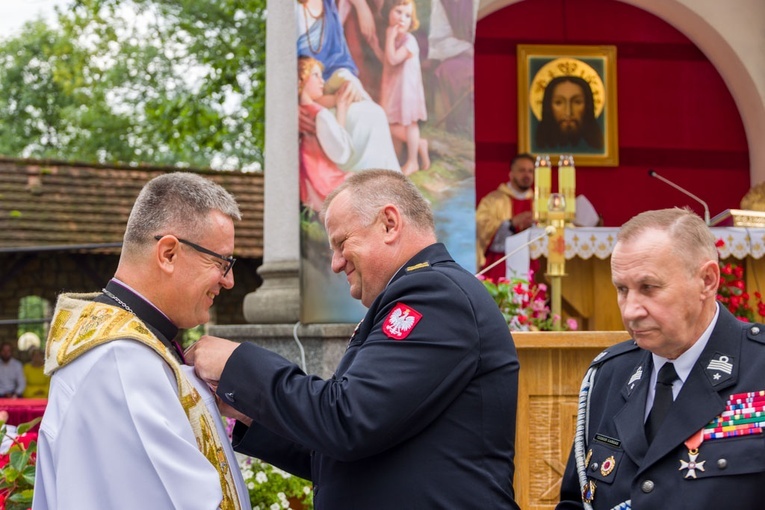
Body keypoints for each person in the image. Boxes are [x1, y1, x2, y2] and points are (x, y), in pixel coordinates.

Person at [187, 169, 522, 509]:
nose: (335, 263)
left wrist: (237, 364)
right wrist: (250, 413)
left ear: (389, 224)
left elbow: (349, 420)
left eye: (341, 242)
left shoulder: (435, 294)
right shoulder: (420, 293)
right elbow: (338, 452)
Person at [33, 172, 251, 510]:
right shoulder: (121, 362)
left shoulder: (132, 347)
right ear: (168, 254)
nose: (229, 281)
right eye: (222, 262)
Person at [557, 208, 765, 509]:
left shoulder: (758, 367)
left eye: (649, 288)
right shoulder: (610, 373)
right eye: (622, 289)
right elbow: (577, 500)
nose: (630, 311)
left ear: (707, 281)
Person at [297, 0, 401, 173]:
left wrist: (349, 82)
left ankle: (393, 188)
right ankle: (372, 188)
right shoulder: (292, 10)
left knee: (374, 113)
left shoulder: (328, 6)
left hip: (331, 87)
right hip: (308, 96)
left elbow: (340, 58)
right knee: (365, 119)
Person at [379, 0, 429, 176]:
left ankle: (413, 161)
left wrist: (390, 38)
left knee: (409, 123)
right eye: (398, 12)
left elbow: (392, 59)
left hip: (407, 90)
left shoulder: (409, 40)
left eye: (407, 15)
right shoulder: (394, 36)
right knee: (391, 121)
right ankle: (396, 159)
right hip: (393, 87)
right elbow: (387, 60)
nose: (402, 18)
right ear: (389, 13)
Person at [298, 56, 352, 212]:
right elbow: (340, 153)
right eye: (316, 75)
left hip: (307, 180)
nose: (322, 81)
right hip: (323, 180)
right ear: (301, 79)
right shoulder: (320, 114)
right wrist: (341, 109)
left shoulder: (298, 112)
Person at [475, 153, 535, 280]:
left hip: (531, 265)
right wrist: (511, 223)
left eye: (530, 171)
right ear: (511, 174)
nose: (527, 175)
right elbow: (482, 229)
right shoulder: (493, 200)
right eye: (522, 170)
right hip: (499, 265)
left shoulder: (538, 202)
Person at [427, 0, 475, 134]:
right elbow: (439, 40)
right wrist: (468, 50)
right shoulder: (443, 2)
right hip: (462, 54)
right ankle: (457, 126)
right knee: (449, 71)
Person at [535, 75, 603, 152]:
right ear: (548, 106)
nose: (568, 113)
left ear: (588, 106)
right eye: (558, 102)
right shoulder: (538, 149)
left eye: (577, 102)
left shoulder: (596, 149)